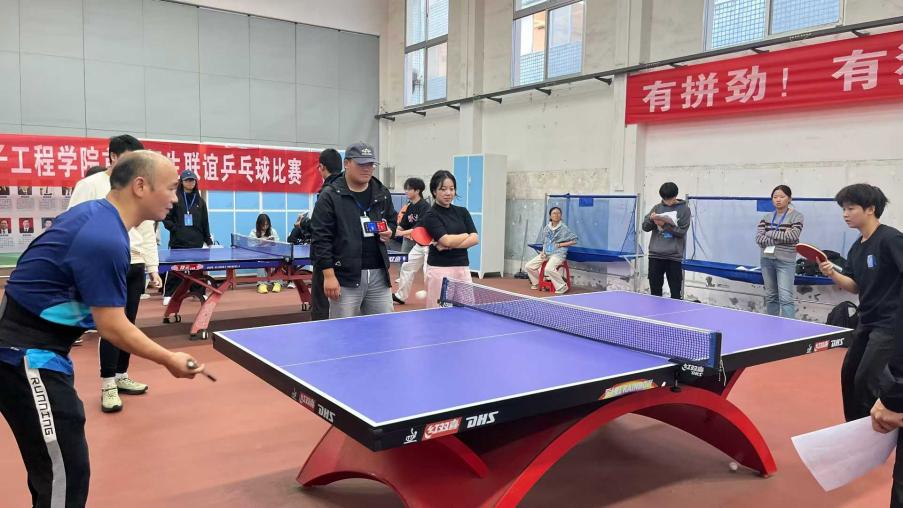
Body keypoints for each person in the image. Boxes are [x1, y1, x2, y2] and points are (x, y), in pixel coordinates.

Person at [0, 150, 206, 508]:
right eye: (171, 188)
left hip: (33, 349)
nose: (175, 198)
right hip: (25, 356)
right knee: (64, 477)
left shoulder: (94, 216)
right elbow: (112, 326)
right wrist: (169, 358)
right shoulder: (104, 238)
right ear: (140, 186)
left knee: (55, 469)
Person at [67, 134, 161, 413]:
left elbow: (147, 230)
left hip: (135, 264)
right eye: (131, 158)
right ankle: (107, 383)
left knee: (129, 324)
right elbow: (73, 223)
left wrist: (153, 268)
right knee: (112, 326)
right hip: (106, 264)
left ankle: (121, 375)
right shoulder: (90, 185)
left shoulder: (138, 186)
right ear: (113, 157)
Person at [818, 184, 903, 423]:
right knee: (849, 374)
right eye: (843, 209)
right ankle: (855, 426)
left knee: (868, 379)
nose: (845, 214)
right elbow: (855, 285)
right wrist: (832, 273)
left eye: (851, 208)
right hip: (867, 320)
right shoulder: (857, 248)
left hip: (889, 323)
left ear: (870, 209)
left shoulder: (890, 238)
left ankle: (881, 425)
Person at [311, 142, 397, 318]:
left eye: (370, 164)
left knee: (384, 328)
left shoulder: (381, 192)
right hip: (344, 276)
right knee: (343, 330)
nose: (367, 168)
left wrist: (390, 230)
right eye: (361, 164)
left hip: (379, 275)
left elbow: (392, 221)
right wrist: (329, 275)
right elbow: (321, 239)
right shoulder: (330, 195)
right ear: (347, 163)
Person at [289, 149, 342, 320]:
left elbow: (321, 229)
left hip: (326, 258)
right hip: (346, 258)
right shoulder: (347, 189)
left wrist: (303, 223)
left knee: (321, 307)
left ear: (321, 167)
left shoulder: (326, 193)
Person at [422, 170, 479, 309]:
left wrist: (449, 245)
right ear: (434, 191)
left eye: (451, 189)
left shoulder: (462, 212)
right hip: (439, 270)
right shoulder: (430, 215)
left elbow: (475, 239)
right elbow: (446, 240)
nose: (448, 193)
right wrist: (465, 235)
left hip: (462, 268)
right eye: (443, 189)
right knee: (438, 314)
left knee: (466, 312)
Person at [161, 169, 212, 305]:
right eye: (187, 180)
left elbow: (205, 222)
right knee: (176, 269)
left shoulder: (200, 201)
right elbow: (166, 218)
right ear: (182, 182)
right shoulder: (174, 199)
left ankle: (199, 292)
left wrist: (208, 239)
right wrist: (175, 229)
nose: (190, 182)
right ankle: (169, 294)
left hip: (196, 242)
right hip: (178, 241)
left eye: (192, 180)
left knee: (197, 269)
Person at [755, 185, 804, 318]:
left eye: (782, 197)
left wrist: (769, 233)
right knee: (771, 296)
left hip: (786, 261)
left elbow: (792, 236)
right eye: (775, 197)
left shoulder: (797, 216)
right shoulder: (766, 217)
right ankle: (772, 325)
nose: (778, 199)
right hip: (766, 260)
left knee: (786, 298)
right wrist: (782, 236)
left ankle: (789, 327)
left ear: (789, 199)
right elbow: (759, 239)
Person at [642, 182, 691, 299]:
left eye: (669, 199)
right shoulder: (657, 208)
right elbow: (645, 227)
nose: (667, 202)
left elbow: (681, 232)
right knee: (655, 292)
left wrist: (664, 225)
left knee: (675, 293)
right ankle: (654, 311)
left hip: (674, 257)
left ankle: (675, 312)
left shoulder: (685, 210)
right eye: (664, 199)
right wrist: (651, 219)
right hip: (655, 256)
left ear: (675, 196)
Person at [392, 177, 431, 304]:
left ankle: (435, 299)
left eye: (409, 189)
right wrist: (393, 231)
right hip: (419, 245)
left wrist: (401, 233)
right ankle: (401, 296)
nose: (406, 192)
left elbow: (419, 227)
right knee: (407, 266)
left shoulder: (425, 207)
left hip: (430, 244)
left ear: (417, 190)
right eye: (406, 189)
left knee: (429, 273)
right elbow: (403, 225)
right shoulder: (410, 207)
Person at [525, 207, 578, 294]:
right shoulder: (547, 227)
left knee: (549, 268)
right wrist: (543, 252)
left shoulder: (563, 228)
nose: (556, 215)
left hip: (558, 253)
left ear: (561, 215)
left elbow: (574, 240)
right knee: (529, 266)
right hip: (546, 253)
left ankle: (562, 286)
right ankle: (537, 282)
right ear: (550, 216)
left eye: (558, 213)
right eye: (554, 213)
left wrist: (560, 245)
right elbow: (545, 241)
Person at [250, 213, 282, 294]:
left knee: (278, 261)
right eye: (263, 225)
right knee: (260, 261)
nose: (265, 227)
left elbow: (278, 243)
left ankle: (277, 282)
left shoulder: (272, 231)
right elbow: (250, 246)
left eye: (267, 225)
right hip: (259, 254)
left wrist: (274, 242)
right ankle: (262, 283)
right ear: (258, 224)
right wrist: (261, 243)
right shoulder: (253, 232)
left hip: (271, 253)